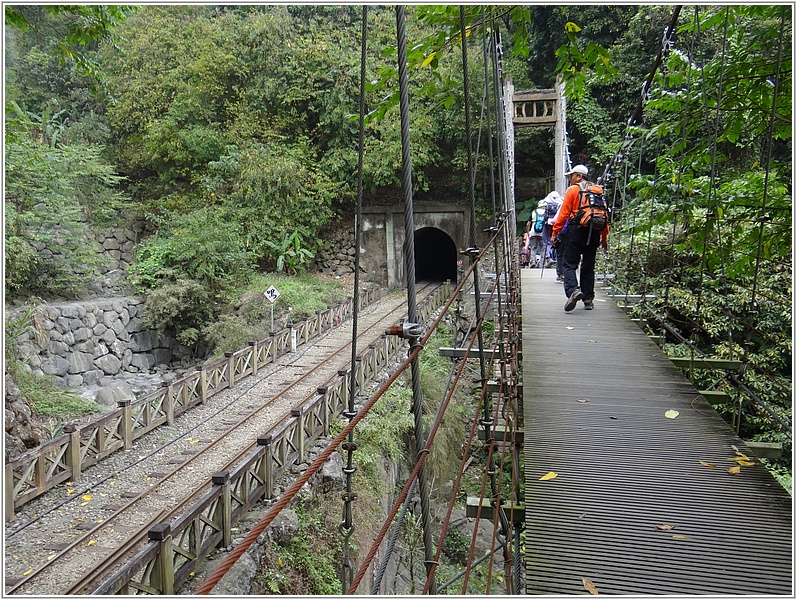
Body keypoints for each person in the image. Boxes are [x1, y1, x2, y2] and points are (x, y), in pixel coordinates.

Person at [550, 164, 609, 311]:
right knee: (588, 266)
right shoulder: (597, 190)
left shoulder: (573, 190)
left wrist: (555, 233)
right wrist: (604, 237)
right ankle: (588, 299)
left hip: (576, 231)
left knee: (569, 263)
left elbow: (563, 214)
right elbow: (603, 214)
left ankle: (573, 291)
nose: (570, 179)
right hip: (594, 231)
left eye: (572, 176)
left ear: (579, 176)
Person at [540, 191, 563, 272]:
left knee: (547, 241)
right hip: (558, 225)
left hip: (548, 225)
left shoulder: (546, 202)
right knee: (557, 242)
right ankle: (556, 259)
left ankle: (549, 257)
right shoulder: (561, 202)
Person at [525, 201, 546, 267]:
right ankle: (542, 264)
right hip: (542, 234)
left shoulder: (534, 212)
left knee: (533, 248)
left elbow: (528, 224)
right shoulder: (546, 213)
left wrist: (528, 232)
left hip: (533, 233)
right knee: (543, 248)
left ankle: (533, 262)